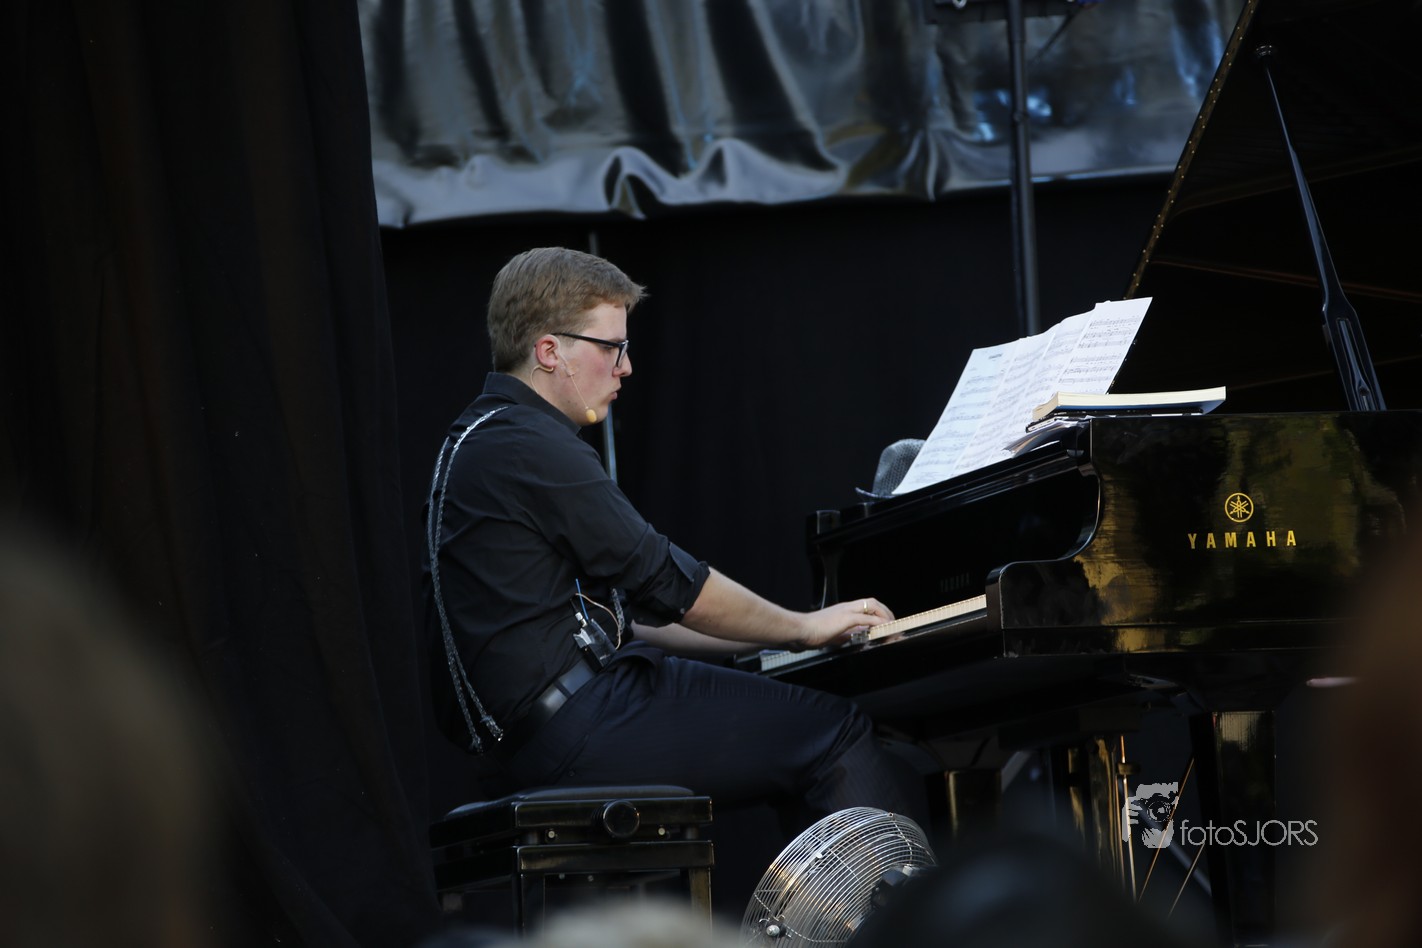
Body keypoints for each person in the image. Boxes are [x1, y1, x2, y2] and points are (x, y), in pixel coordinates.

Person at [422, 247, 922, 826]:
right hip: (576, 726)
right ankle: (903, 892)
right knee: (835, 731)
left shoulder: (482, 436)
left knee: (789, 735)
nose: (626, 367)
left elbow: (637, 615)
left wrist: (766, 644)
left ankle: (813, 892)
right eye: (612, 347)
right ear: (550, 352)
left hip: (533, 738)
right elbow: (667, 581)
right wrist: (804, 628)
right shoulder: (528, 444)